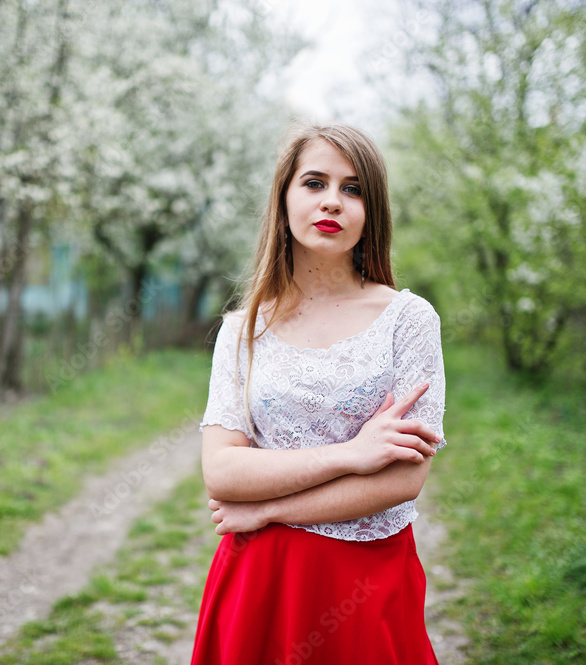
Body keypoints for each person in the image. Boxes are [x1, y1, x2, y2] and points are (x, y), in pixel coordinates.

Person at [191, 122, 446, 665]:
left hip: (365, 577)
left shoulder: (409, 320)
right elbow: (224, 473)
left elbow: (404, 478)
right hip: (258, 575)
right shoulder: (242, 330)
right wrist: (352, 455)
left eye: (352, 189)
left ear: (370, 212)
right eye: (314, 183)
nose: (333, 201)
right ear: (283, 201)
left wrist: (267, 510)